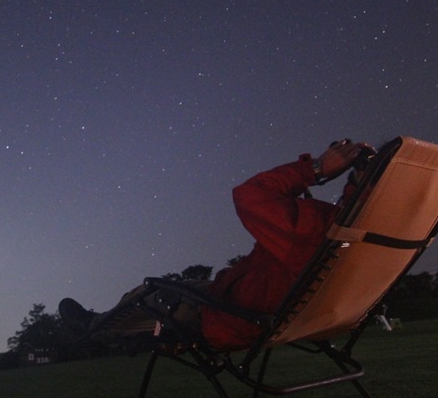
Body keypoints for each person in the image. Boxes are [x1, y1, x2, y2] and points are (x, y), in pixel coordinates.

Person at [59, 137, 374, 351]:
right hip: (274, 311)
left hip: (231, 318)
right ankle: (115, 331)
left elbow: (249, 195)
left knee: (148, 292)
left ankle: (95, 329)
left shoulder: (323, 228)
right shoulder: (373, 241)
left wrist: (316, 169)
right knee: (181, 288)